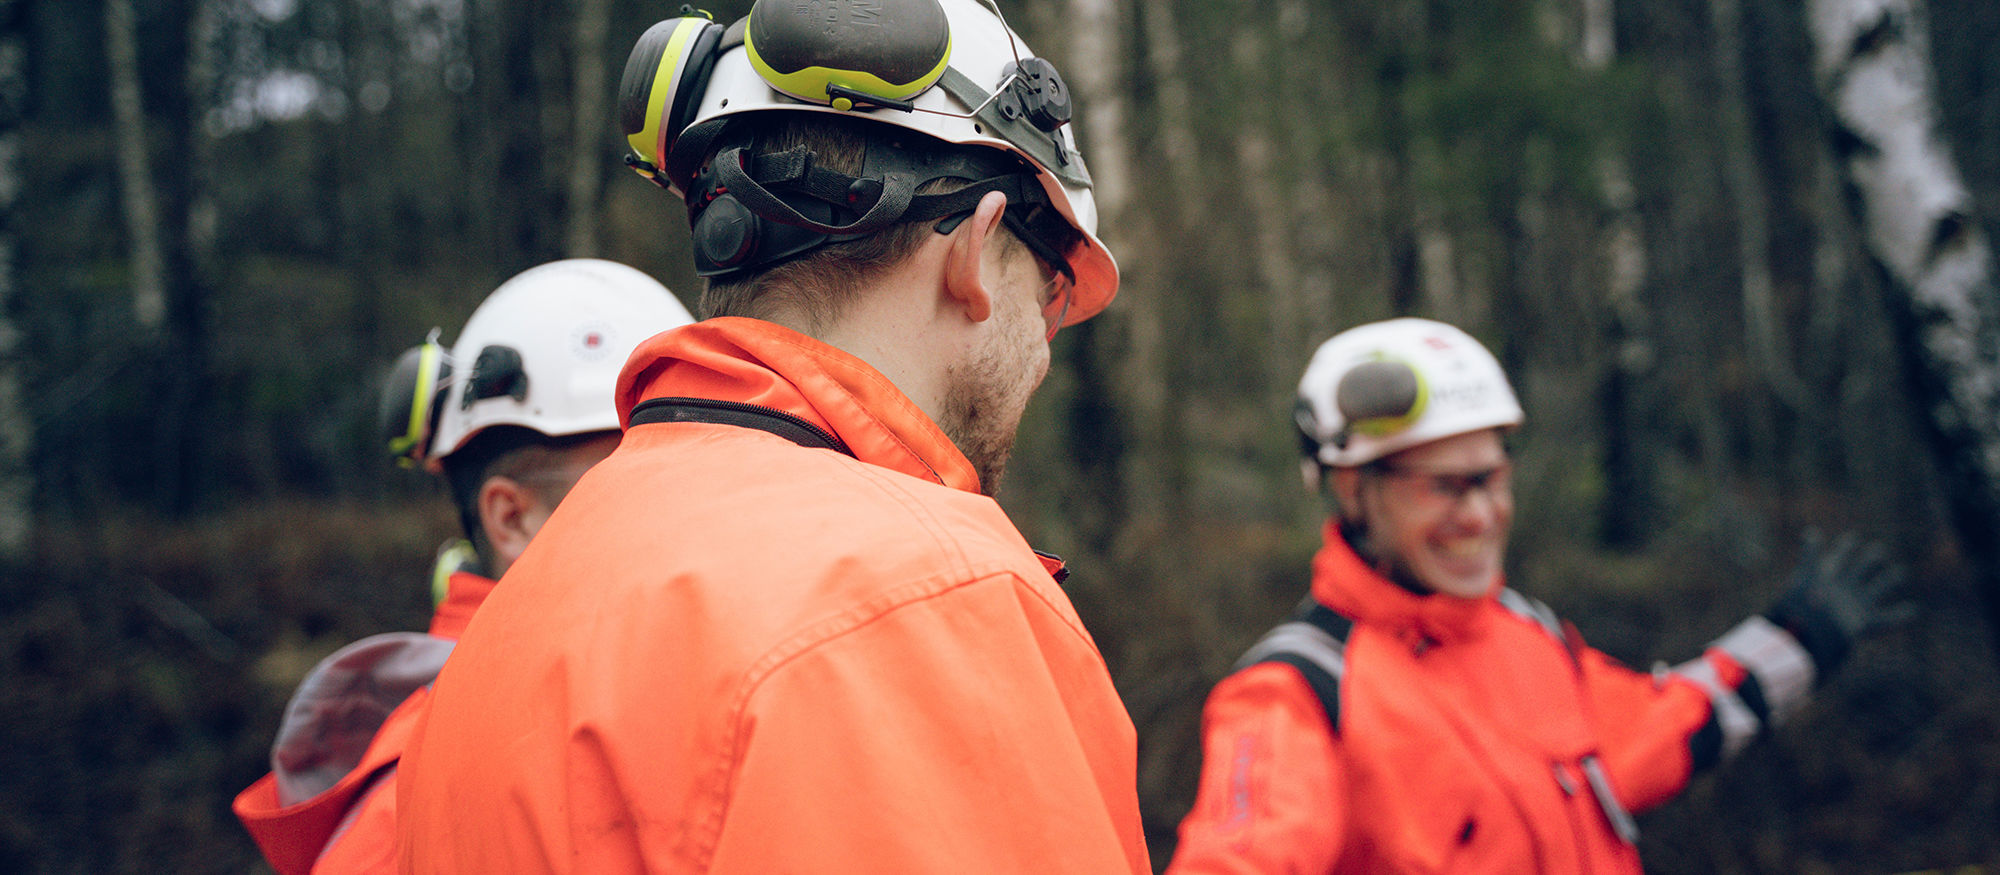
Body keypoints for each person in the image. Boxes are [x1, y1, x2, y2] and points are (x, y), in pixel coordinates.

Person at [394, 0, 1146, 872]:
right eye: (1052, 286)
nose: (1046, 348)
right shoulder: (933, 595)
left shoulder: (498, 635)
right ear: (976, 251)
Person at [1168, 317, 1906, 874]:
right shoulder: (1293, 694)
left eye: (1490, 477)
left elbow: (1658, 729)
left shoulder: (1525, 632)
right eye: (1444, 486)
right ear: (1355, 491)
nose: (1481, 515)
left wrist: (1795, 641)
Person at [231, 259, 694, 875]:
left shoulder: (637, 694)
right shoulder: (420, 800)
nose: (697, 510)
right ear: (510, 519)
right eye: (641, 483)